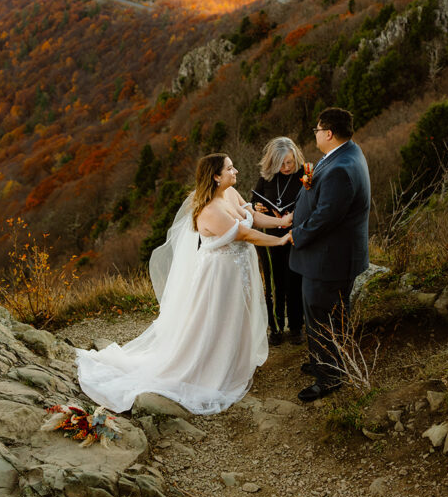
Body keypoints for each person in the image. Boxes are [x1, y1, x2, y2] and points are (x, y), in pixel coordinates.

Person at [76, 153, 292, 416]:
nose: (235, 171)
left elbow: (252, 218)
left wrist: (281, 222)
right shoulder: (209, 210)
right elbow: (244, 233)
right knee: (218, 319)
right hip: (220, 274)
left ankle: (235, 360)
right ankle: (211, 367)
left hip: (240, 270)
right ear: (216, 176)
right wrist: (279, 241)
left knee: (239, 315)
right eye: (229, 168)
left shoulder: (231, 194)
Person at [289, 107, 371, 402]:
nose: (315, 134)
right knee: (328, 313)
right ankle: (325, 360)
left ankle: (329, 377)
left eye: (317, 129)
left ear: (328, 133)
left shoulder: (340, 168)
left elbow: (326, 216)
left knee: (321, 315)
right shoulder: (347, 154)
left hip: (329, 259)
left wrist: (297, 233)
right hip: (334, 255)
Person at [251, 137, 305, 344]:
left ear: (296, 158)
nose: (286, 167)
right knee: (276, 281)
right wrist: (258, 207)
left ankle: (295, 326)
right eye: (281, 163)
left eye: (289, 162)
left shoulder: (303, 175)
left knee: (294, 279)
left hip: (295, 235)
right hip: (271, 236)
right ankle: (275, 327)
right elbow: (254, 200)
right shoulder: (267, 177)